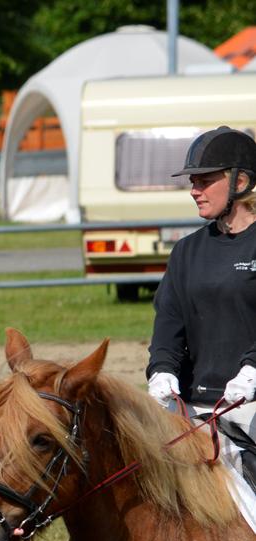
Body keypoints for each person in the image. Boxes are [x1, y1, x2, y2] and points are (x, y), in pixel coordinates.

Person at [146, 126, 256, 499]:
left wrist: (253, 368)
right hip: (194, 408)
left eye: (205, 181)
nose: (194, 189)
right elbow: (168, 322)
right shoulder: (187, 251)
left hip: (250, 406)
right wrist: (161, 369)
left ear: (241, 181)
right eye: (193, 181)